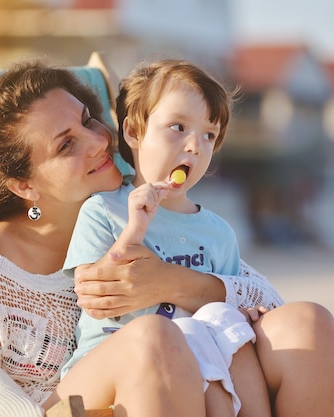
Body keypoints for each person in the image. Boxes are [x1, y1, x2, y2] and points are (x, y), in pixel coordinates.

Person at [0, 57, 334, 417]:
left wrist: (170, 282)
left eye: (89, 119)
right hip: (72, 404)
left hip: (192, 380)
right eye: (65, 145)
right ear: (25, 186)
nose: (97, 140)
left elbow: (264, 297)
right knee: (154, 336)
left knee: (308, 323)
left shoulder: (139, 200)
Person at [60, 59, 269, 417]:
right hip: (114, 364)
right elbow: (98, 295)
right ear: (134, 132)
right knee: (186, 335)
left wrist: (246, 314)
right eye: (178, 127)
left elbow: (225, 307)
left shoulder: (217, 233)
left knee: (225, 325)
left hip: (200, 372)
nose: (195, 146)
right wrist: (136, 228)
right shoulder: (105, 210)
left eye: (209, 134)